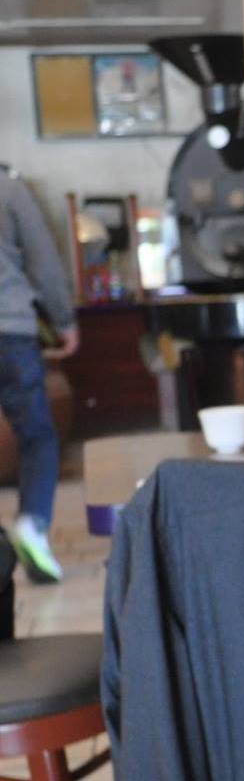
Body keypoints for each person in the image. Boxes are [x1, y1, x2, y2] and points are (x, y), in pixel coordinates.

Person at [0, 165, 78, 585]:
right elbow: (43, 260)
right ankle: (32, 523)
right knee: (37, 437)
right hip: (10, 329)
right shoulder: (10, 190)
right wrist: (64, 320)